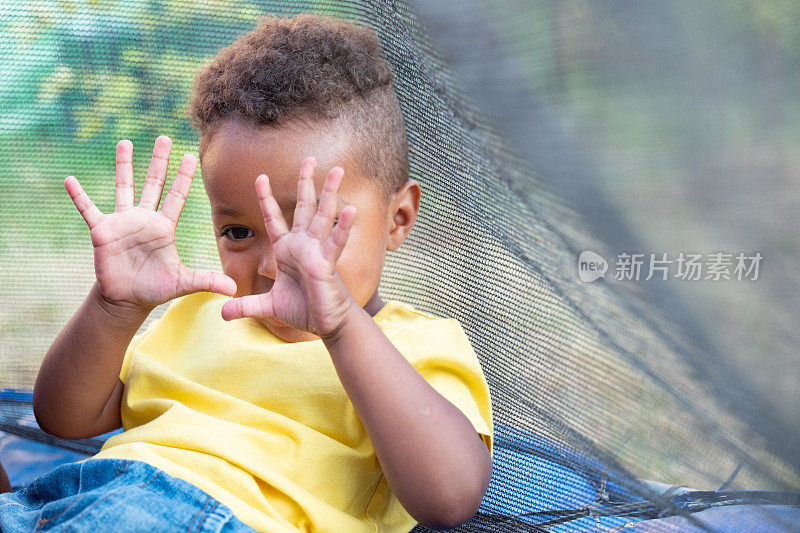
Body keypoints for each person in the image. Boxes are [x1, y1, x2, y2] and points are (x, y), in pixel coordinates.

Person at [2, 13, 494, 532]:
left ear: (398, 220)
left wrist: (344, 327)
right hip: (85, 498)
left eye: (310, 226)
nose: (270, 265)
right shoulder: (203, 311)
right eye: (238, 232)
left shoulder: (413, 347)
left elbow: (450, 498)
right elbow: (66, 418)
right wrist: (112, 308)